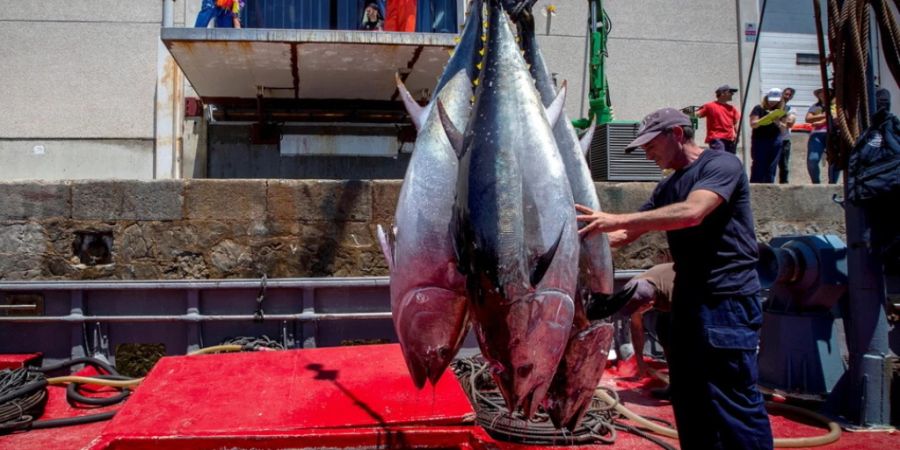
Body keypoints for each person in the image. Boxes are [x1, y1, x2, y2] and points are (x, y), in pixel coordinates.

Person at [575, 107, 773, 450]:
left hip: (726, 302)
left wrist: (614, 219)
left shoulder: (720, 166)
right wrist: (574, 249)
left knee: (731, 399)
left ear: (677, 134)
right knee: (689, 397)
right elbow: (625, 231)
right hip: (688, 302)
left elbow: (693, 212)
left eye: (651, 145)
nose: (647, 154)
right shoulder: (668, 185)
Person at [622, 263, 675, 398]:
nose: (637, 313)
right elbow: (636, 326)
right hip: (660, 292)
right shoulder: (635, 288)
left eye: (640, 310)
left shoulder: (672, 294)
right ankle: (674, 387)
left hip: (696, 294)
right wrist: (639, 359)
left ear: (649, 304)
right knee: (663, 329)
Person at [749, 88, 786, 183]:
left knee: (772, 164)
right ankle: (756, 184)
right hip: (760, 139)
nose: (772, 102)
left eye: (775, 100)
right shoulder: (758, 108)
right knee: (759, 163)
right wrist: (765, 119)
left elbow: (783, 129)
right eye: (771, 100)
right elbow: (753, 124)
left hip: (775, 139)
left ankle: (769, 184)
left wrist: (778, 122)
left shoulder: (780, 111)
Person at [806, 88, 840, 184]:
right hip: (817, 135)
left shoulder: (836, 105)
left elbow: (836, 117)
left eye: (826, 93)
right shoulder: (815, 107)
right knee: (813, 159)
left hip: (833, 134)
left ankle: (832, 183)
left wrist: (820, 121)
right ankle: (816, 182)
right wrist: (826, 115)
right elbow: (808, 118)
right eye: (821, 93)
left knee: (834, 160)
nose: (823, 95)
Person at [697, 84, 741, 154]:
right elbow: (697, 114)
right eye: (730, 92)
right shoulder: (709, 106)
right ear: (722, 93)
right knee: (720, 157)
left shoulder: (732, 109)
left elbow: (735, 123)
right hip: (717, 139)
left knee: (730, 159)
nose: (732, 94)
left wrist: (737, 135)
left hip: (730, 139)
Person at [777, 87, 797, 184]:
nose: (787, 96)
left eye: (789, 95)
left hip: (784, 140)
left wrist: (778, 122)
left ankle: (784, 184)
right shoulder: (772, 107)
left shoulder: (791, 109)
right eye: (786, 94)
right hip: (771, 138)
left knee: (784, 165)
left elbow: (790, 123)